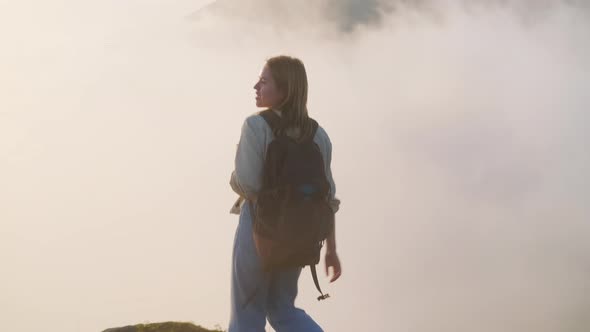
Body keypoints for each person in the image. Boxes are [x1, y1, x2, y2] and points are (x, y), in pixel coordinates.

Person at [228, 55, 341, 332]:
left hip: (258, 227)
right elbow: (327, 199)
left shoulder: (256, 126)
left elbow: (248, 185)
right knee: (282, 308)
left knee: (247, 310)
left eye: (264, 81)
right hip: (301, 232)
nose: (256, 86)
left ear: (284, 90)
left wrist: (233, 179)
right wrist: (332, 249)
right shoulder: (318, 135)